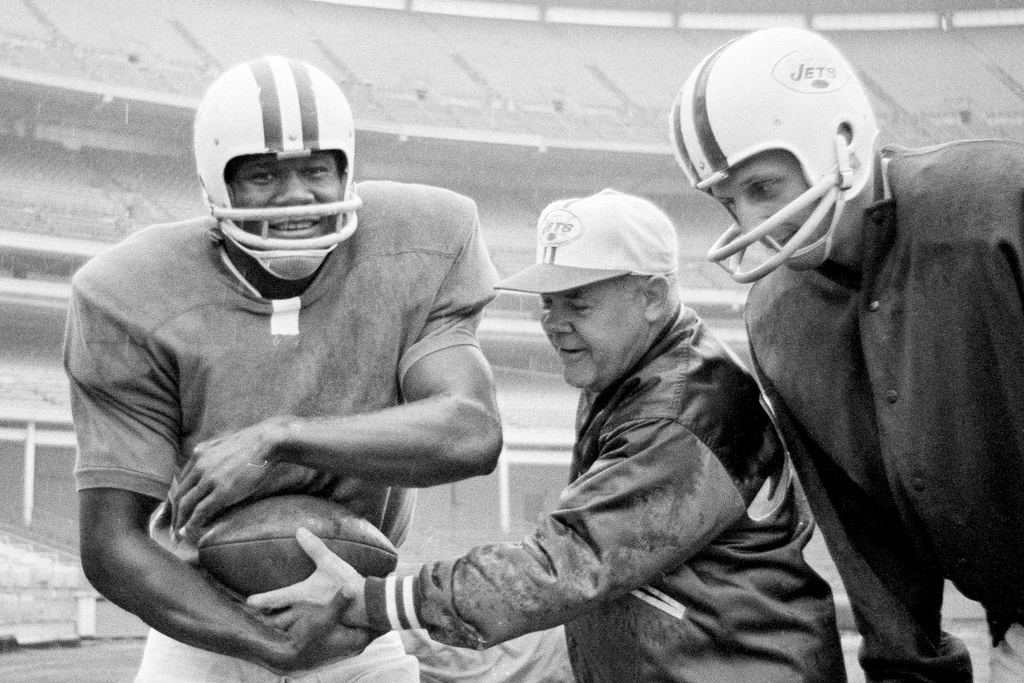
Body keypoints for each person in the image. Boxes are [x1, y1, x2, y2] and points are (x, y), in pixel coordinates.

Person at [246, 189, 848, 682]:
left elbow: (566, 567)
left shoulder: (676, 411)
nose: (554, 323)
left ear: (652, 296)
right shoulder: (643, 367)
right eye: (549, 302)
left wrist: (375, 602)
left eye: (578, 304)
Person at [63, 56, 503, 681]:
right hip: (202, 610)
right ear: (217, 183)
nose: (297, 195)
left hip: (346, 604)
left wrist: (278, 438)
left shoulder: (424, 238)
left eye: (316, 170)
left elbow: (471, 431)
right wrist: (268, 644)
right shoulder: (128, 291)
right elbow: (112, 541)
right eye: (263, 175)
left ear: (347, 171)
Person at [669, 26, 1024, 683]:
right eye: (728, 201)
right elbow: (864, 532)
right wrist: (908, 668)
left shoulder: (999, 200)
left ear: (842, 140)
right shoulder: (778, 315)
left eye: (763, 187)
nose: (749, 224)